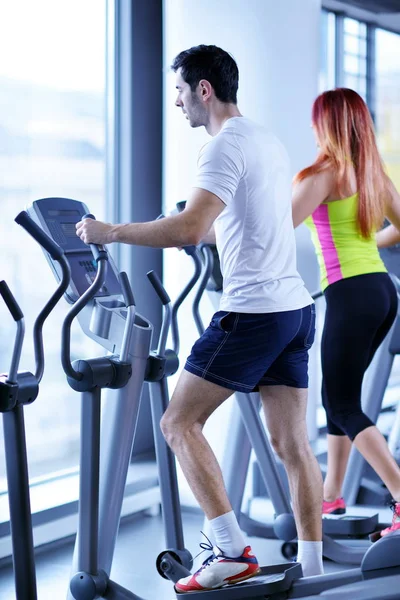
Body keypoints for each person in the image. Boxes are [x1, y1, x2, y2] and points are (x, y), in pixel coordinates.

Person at [76, 44, 324, 592]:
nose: (177, 102)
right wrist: (195, 225)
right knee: (292, 446)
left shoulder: (220, 149)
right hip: (294, 310)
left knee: (176, 422)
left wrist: (111, 231)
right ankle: (313, 571)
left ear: (203, 90)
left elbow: (190, 228)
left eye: (181, 92)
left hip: (252, 312)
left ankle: (231, 550)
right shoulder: (266, 139)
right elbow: (242, 222)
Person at [292, 87, 400, 541]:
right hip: (380, 291)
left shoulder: (324, 173)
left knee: (339, 402)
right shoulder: (372, 174)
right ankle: (332, 492)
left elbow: (277, 225)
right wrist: (364, 246)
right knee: (342, 397)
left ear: (326, 125)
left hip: (350, 294)